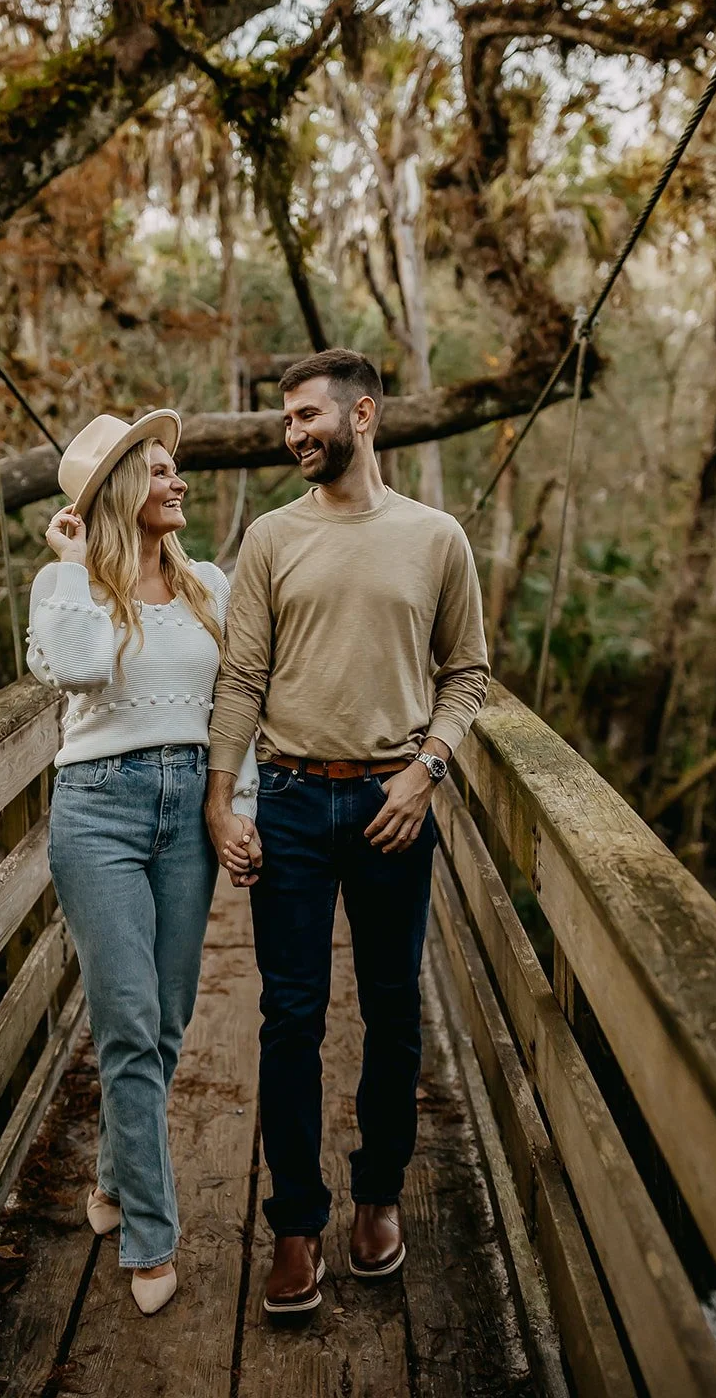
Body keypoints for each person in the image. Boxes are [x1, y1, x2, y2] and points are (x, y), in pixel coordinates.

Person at [206, 348, 489, 1315]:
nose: (293, 434)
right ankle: (295, 1223)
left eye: (307, 417)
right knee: (289, 1018)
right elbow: (241, 680)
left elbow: (468, 674)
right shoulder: (270, 539)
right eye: (286, 421)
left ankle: (377, 1197)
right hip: (286, 799)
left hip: (390, 805)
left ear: (362, 416)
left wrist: (426, 771)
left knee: (392, 1013)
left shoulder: (435, 537)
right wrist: (220, 796)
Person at [26, 409, 259, 1316]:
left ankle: (116, 1180)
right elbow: (78, 671)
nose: (179, 482)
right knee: (127, 1022)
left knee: (163, 1024)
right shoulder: (67, 586)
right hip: (98, 814)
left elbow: (243, 697)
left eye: (175, 469)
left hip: (185, 806)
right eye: (160, 470)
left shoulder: (209, 583)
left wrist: (236, 806)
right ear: (124, 488)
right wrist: (75, 560)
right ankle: (150, 1239)